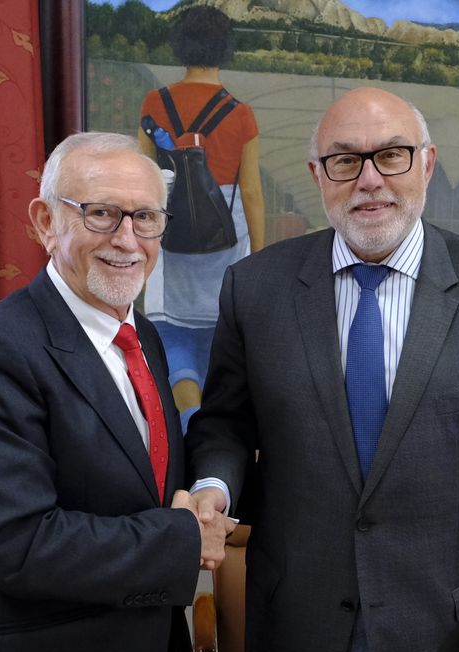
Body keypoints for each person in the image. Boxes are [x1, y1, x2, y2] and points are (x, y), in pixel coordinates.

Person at [186, 87, 459, 652]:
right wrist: (213, 486)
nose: (370, 179)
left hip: (446, 644)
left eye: (391, 155)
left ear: (427, 163)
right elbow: (225, 422)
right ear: (318, 175)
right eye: (345, 160)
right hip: (295, 644)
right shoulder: (256, 288)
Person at [0, 131, 234, 652]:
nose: (127, 239)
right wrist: (183, 537)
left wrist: (204, 496)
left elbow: (147, 481)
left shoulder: (143, 336)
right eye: (101, 213)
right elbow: (18, 544)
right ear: (45, 222)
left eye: (146, 218)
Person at [138, 5, 265, 427]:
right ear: (226, 48)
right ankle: (214, 433)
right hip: (225, 239)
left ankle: (189, 422)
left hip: (169, 234)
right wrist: (259, 256)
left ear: (180, 45)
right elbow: (251, 192)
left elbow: (144, 180)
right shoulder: (241, 114)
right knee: (218, 335)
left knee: (173, 334)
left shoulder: (155, 103)